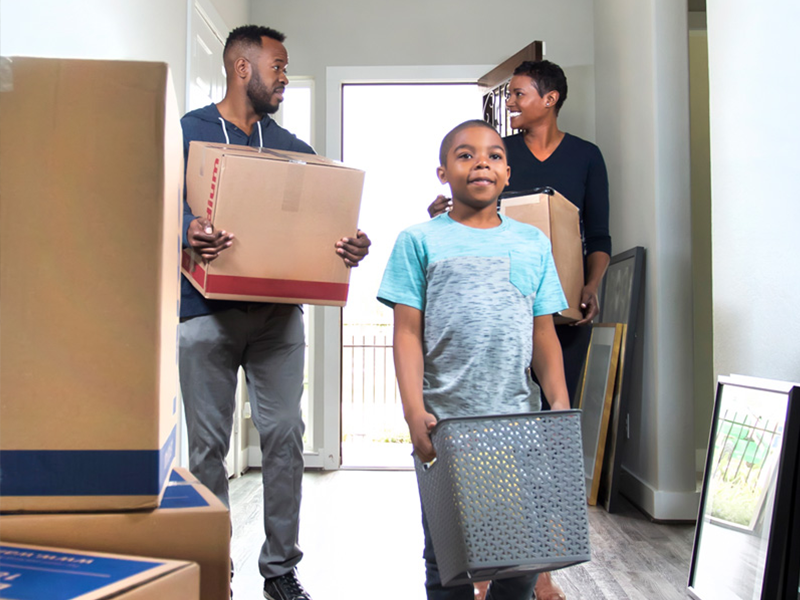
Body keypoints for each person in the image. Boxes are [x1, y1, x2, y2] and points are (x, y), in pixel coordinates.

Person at [179, 25, 371, 600]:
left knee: (285, 432)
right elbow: (155, 205)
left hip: (276, 318)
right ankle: (215, 567)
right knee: (207, 447)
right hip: (203, 312)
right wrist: (187, 232)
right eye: (278, 67)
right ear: (243, 69)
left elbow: (323, 228)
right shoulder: (186, 133)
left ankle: (280, 569)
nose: (284, 77)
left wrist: (347, 248)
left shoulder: (293, 149)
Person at [428, 60, 610, 600]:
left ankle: (540, 564)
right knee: (493, 442)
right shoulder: (497, 152)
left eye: (522, 93)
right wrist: (443, 210)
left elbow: (598, 231)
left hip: (560, 312)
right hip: (503, 316)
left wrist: (592, 285)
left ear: (550, 99)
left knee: (545, 439)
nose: (512, 102)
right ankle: (487, 560)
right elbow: (469, 214)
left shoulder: (585, 156)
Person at [379, 120, 571, 600]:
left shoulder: (533, 244)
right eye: (465, 155)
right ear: (442, 173)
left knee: (521, 559)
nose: (481, 162)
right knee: (446, 559)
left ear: (508, 173)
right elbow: (406, 332)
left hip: (518, 428)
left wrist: (560, 407)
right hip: (446, 427)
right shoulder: (418, 241)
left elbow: (543, 333)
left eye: (493, 155)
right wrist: (412, 410)